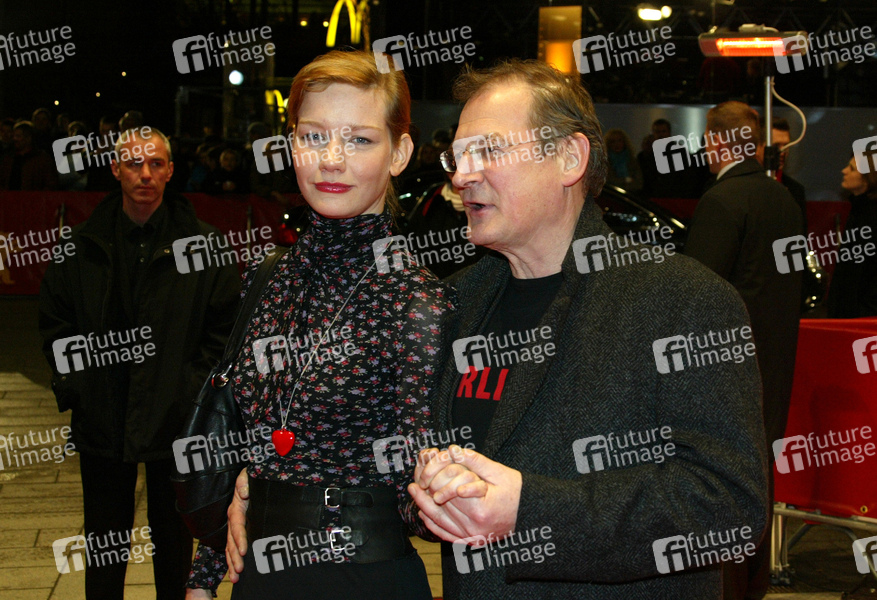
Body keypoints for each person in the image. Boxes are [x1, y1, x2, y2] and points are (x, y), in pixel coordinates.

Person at [228, 58, 769, 598]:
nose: (462, 175)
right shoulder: (455, 302)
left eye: (488, 150)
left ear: (569, 157)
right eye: (459, 155)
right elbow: (382, 448)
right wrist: (271, 489)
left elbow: (730, 506)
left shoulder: (680, 301)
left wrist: (527, 510)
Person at [186, 49, 453, 599]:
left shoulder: (418, 301)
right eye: (313, 136)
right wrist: (203, 577)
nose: (331, 159)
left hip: (362, 579)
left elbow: (419, 499)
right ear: (292, 145)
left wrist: (442, 489)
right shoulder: (268, 277)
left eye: (359, 140)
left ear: (400, 152)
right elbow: (238, 437)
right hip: (257, 577)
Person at [39, 127, 240, 600]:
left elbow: (225, 329)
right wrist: (77, 389)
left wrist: (192, 395)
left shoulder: (204, 246)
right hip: (102, 419)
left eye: (155, 164)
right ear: (115, 169)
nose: (144, 174)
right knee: (104, 541)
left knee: (175, 540)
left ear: (170, 170)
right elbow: (56, 323)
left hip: (176, 421)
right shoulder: (81, 245)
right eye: (133, 163)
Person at [684, 101, 804, 600]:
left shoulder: (722, 200)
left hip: (724, 364)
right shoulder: (785, 199)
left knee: (721, 472)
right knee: (758, 470)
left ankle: (726, 586)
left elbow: (695, 294)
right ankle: (751, 582)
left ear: (715, 141)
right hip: (775, 359)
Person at [826, 155, 877, 318]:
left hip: (864, 317)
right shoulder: (857, 209)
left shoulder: (869, 215)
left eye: (852, 169)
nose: (844, 171)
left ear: (868, 179)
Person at [756, 117, 807, 233]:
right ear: (757, 146)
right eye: (776, 146)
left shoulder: (795, 190)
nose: (783, 151)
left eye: (786, 146)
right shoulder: (743, 186)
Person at [0, 121, 58, 190]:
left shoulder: (42, 159)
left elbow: (51, 183)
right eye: (14, 136)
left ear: (28, 138)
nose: (14, 139)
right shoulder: (8, 158)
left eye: (18, 136)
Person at [603, 128, 643, 192]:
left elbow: (639, 183)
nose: (617, 144)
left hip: (632, 194)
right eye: (613, 142)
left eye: (619, 140)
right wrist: (627, 180)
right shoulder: (605, 162)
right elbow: (610, 182)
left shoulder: (632, 160)